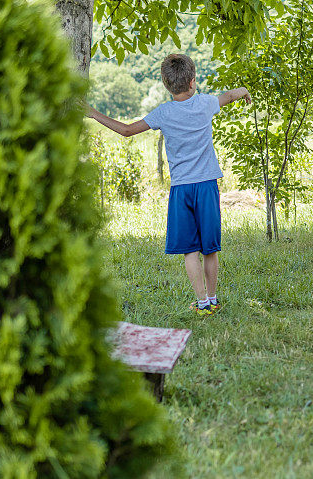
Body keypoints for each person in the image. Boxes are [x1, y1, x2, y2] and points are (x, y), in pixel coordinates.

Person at [86, 53, 251, 316]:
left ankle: (202, 304)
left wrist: (93, 113)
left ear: (166, 84)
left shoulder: (163, 112)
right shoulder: (206, 104)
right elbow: (229, 95)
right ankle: (213, 298)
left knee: (190, 250)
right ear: (193, 81)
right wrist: (244, 91)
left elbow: (127, 130)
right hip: (207, 185)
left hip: (181, 190)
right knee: (210, 248)